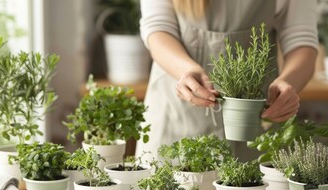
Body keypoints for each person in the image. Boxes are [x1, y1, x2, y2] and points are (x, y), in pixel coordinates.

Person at [135, 0, 318, 162]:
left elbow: (301, 39)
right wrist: (187, 70)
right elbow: (158, 29)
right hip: (177, 113)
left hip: (255, 118)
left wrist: (288, 82)